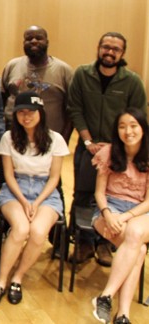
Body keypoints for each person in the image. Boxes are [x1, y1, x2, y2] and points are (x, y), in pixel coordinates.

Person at [67, 32, 147, 266]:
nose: (110, 52)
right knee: (82, 194)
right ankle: (82, 243)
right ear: (99, 48)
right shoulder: (82, 74)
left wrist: (115, 146)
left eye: (116, 49)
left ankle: (104, 244)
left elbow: (137, 116)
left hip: (119, 151)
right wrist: (89, 142)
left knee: (110, 196)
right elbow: (75, 109)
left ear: (122, 53)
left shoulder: (132, 81)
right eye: (106, 47)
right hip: (88, 148)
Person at [0, 91, 69, 307]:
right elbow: (8, 175)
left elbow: (55, 178)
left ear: (40, 112)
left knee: (39, 232)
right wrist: (24, 201)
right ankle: (1, 281)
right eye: (21, 112)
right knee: (21, 229)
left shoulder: (55, 139)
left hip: (46, 191)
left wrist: (38, 201)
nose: (26, 116)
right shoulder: (8, 138)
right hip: (16, 189)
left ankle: (18, 277)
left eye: (31, 112)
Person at [91, 108, 149, 324]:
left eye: (133, 125)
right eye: (122, 126)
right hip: (109, 207)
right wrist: (108, 214)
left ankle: (106, 295)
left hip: (141, 212)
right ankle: (123, 314)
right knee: (139, 248)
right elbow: (99, 192)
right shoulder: (109, 152)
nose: (128, 131)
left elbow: (148, 202)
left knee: (134, 232)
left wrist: (124, 218)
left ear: (143, 128)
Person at [1, 25, 73, 140]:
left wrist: (64, 140)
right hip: (14, 136)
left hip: (49, 139)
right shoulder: (12, 66)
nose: (33, 41)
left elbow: (71, 110)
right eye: (29, 39)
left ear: (47, 42)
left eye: (39, 38)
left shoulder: (63, 70)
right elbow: (2, 99)